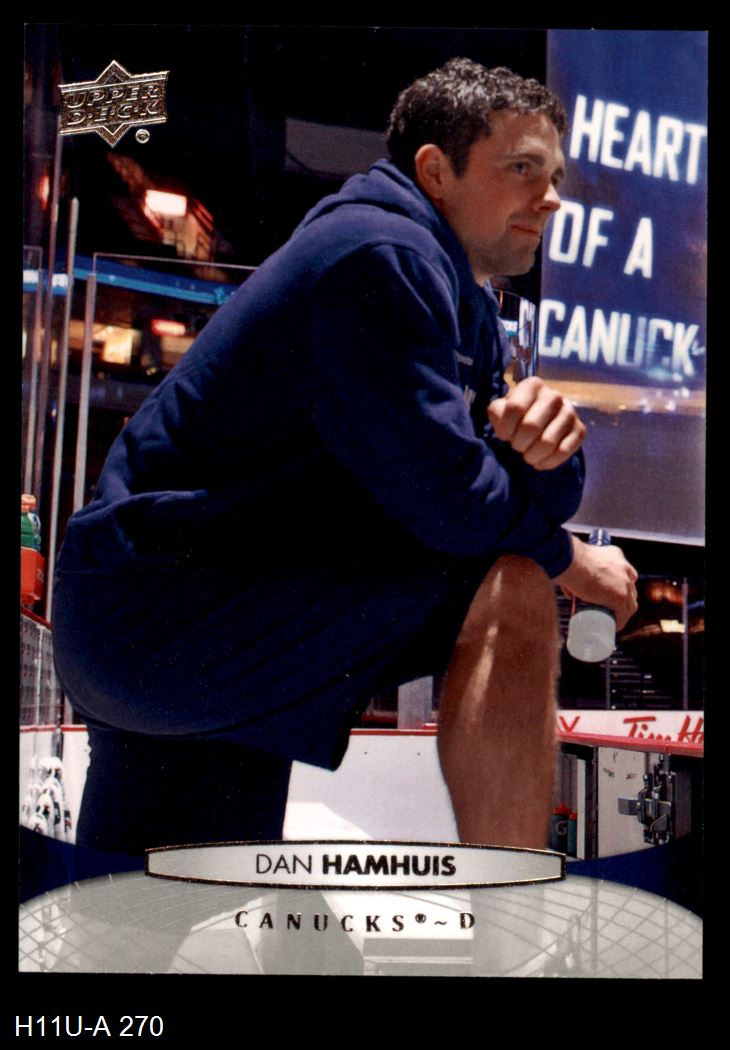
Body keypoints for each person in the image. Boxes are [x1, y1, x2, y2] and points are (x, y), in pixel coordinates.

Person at [52, 58, 638, 857]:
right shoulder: (378, 254)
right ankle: (510, 909)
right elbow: (451, 502)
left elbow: (504, 481)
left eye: (555, 176)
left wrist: (552, 450)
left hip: (163, 622)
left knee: (144, 908)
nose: (551, 197)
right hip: (177, 615)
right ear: (436, 171)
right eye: (521, 169)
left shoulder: (451, 291)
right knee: (514, 583)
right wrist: (568, 559)